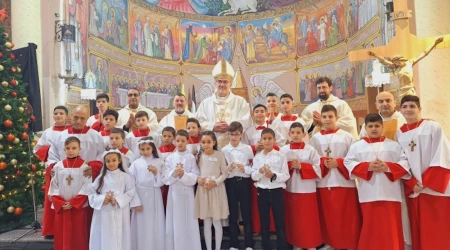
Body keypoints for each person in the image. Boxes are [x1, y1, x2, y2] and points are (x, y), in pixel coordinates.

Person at [345, 113, 410, 250]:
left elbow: (405, 164)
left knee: (391, 228)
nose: (374, 129)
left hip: (391, 193)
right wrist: (367, 166)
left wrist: (387, 167)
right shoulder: (357, 146)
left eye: (377, 126)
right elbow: (348, 163)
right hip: (368, 193)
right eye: (370, 126)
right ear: (365, 128)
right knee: (371, 227)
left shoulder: (394, 145)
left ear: (382, 126)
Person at [396, 95, 450, 250]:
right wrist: (411, 183)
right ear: (400, 110)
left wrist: (426, 182)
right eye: (405, 106)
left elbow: (443, 154)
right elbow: (401, 160)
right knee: (418, 231)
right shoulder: (399, 134)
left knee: (437, 230)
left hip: (434, 188)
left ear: (419, 109)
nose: (408, 109)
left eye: (412, 106)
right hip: (414, 189)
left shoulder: (432, 126)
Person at [309, 105, 361, 250]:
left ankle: (348, 243)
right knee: (328, 217)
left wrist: (338, 162)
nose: (327, 120)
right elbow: (312, 160)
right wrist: (324, 163)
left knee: (346, 217)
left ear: (337, 118)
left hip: (343, 183)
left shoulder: (347, 136)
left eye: (330, 116)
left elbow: (354, 159)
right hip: (324, 183)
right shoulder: (315, 139)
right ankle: (331, 243)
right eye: (324, 117)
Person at [280, 123, 322, 250]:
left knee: (308, 218)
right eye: (293, 132)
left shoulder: (311, 150)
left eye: (298, 132)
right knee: (294, 219)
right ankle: (297, 243)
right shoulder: (284, 150)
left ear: (304, 134)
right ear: (289, 134)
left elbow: (318, 169)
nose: (296, 135)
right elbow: (279, 169)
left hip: (307, 189)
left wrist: (302, 166)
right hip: (291, 188)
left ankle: (310, 244)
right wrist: (289, 166)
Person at [196, 59, 251, 149]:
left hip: (235, 149)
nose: (222, 84)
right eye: (219, 81)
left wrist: (230, 125)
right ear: (215, 83)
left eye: (225, 81)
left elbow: (246, 121)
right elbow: (198, 123)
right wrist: (212, 126)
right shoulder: (205, 103)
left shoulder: (240, 102)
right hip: (211, 149)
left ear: (231, 84)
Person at [48, 137, 91, 250]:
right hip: (62, 207)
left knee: (78, 233)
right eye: (68, 148)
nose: (70, 150)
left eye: (74, 148)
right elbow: (54, 186)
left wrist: (73, 203)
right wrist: (60, 203)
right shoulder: (58, 166)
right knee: (61, 233)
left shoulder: (85, 167)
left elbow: (87, 187)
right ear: (64, 150)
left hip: (78, 208)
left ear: (79, 149)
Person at [33, 105, 70, 239]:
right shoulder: (48, 132)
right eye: (56, 113)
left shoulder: (70, 131)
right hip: (53, 169)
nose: (58, 116)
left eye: (61, 113)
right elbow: (37, 149)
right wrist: (51, 149)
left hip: (70, 168)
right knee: (52, 198)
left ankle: (67, 227)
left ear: (67, 116)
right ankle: (51, 230)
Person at [367, 36, 443, 99]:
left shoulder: (410, 63)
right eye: (395, 62)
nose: (397, 64)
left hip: (409, 89)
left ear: (402, 60)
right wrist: (375, 55)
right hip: (401, 91)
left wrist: (434, 43)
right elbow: (383, 61)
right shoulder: (395, 67)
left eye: (398, 62)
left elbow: (424, 53)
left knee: (412, 105)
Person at [89, 149, 136, 250]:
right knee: (104, 234)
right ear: (105, 163)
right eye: (108, 161)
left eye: (114, 160)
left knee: (120, 235)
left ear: (119, 161)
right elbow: (92, 193)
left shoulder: (125, 177)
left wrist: (118, 200)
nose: (111, 163)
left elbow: (131, 192)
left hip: (120, 210)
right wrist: (102, 199)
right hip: (103, 212)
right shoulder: (101, 177)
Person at [251, 128, 290, 250]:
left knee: (279, 222)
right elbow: (253, 176)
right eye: (264, 138)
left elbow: (286, 175)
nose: (267, 141)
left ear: (274, 140)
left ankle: (282, 247)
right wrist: (260, 172)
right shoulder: (257, 157)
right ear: (261, 140)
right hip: (262, 192)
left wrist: (274, 175)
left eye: (269, 138)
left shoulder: (280, 156)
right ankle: (266, 247)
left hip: (276, 192)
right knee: (264, 223)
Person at [163, 130, 201, 250]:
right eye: (177, 140)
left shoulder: (190, 157)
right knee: (175, 221)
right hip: (174, 193)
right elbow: (165, 178)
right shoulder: (170, 158)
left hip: (187, 193)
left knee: (188, 220)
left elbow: (196, 175)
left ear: (187, 141)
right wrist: (175, 173)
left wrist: (183, 175)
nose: (179, 143)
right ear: (174, 141)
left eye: (182, 141)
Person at [47, 106, 105, 180]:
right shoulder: (61, 136)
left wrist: (94, 167)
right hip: (64, 176)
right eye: (76, 117)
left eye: (82, 118)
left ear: (87, 119)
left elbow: (101, 154)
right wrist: (53, 167)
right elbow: (53, 155)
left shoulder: (96, 136)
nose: (78, 121)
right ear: (71, 116)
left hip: (87, 176)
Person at [222, 122, 254, 250]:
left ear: (241, 134)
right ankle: (234, 244)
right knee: (233, 214)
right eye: (231, 134)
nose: (233, 137)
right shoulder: (224, 150)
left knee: (246, 213)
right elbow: (222, 169)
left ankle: (249, 244)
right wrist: (228, 169)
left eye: (236, 134)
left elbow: (253, 167)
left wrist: (244, 168)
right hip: (230, 183)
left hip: (244, 182)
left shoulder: (247, 149)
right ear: (228, 134)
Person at [195, 131, 229, 250]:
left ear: (214, 142)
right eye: (203, 142)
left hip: (216, 190)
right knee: (207, 222)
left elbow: (225, 173)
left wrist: (215, 183)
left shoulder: (219, 155)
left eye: (209, 142)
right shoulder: (199, 156)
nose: (206, 145)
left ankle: (218, 248)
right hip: (203, 191)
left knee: (216, 221)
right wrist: (199, 179)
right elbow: (196, 172)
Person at [129, 137, 165, 250]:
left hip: (154, 196)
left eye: (148, 148)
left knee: (154, 223)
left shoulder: (159, 162)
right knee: (141, 224)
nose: (145, 151)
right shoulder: (135, 164)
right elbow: (131, 184)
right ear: (139, 149)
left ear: (153, 148)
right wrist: (135, 202)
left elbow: (162, 181)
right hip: (140, 196)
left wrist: (156, 174)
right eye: (142, 149)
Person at [159, 126, 177, 209]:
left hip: (174, 179)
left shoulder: (176, 149)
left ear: (174, 137)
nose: (166, 138)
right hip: (163, 178)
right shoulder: (158, 151)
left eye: (169, 136)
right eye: (164, 136)